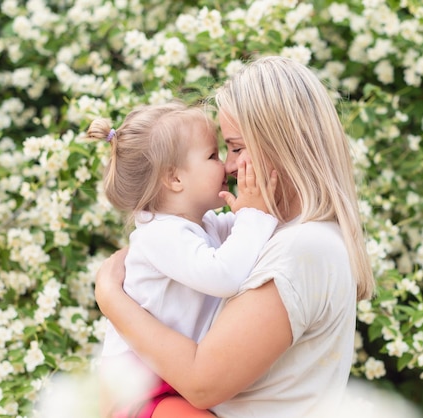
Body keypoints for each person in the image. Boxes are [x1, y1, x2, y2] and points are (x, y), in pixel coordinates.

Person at [95, 56, 375, 417]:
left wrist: (110, 298)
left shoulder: (304, 247)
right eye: (221, 151)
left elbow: (201, 382)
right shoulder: (290, 236)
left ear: (284, 145)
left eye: (237, 148)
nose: (227, 165)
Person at [86, 101, 279, 418]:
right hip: (139, 389)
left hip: (166, 377)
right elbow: (224, 275)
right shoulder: (158, 235)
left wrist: (255, 212)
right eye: (213, 156)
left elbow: (243, 237)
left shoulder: (200, 226)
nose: (225, 166)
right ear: (174, 179)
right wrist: (255, 215)